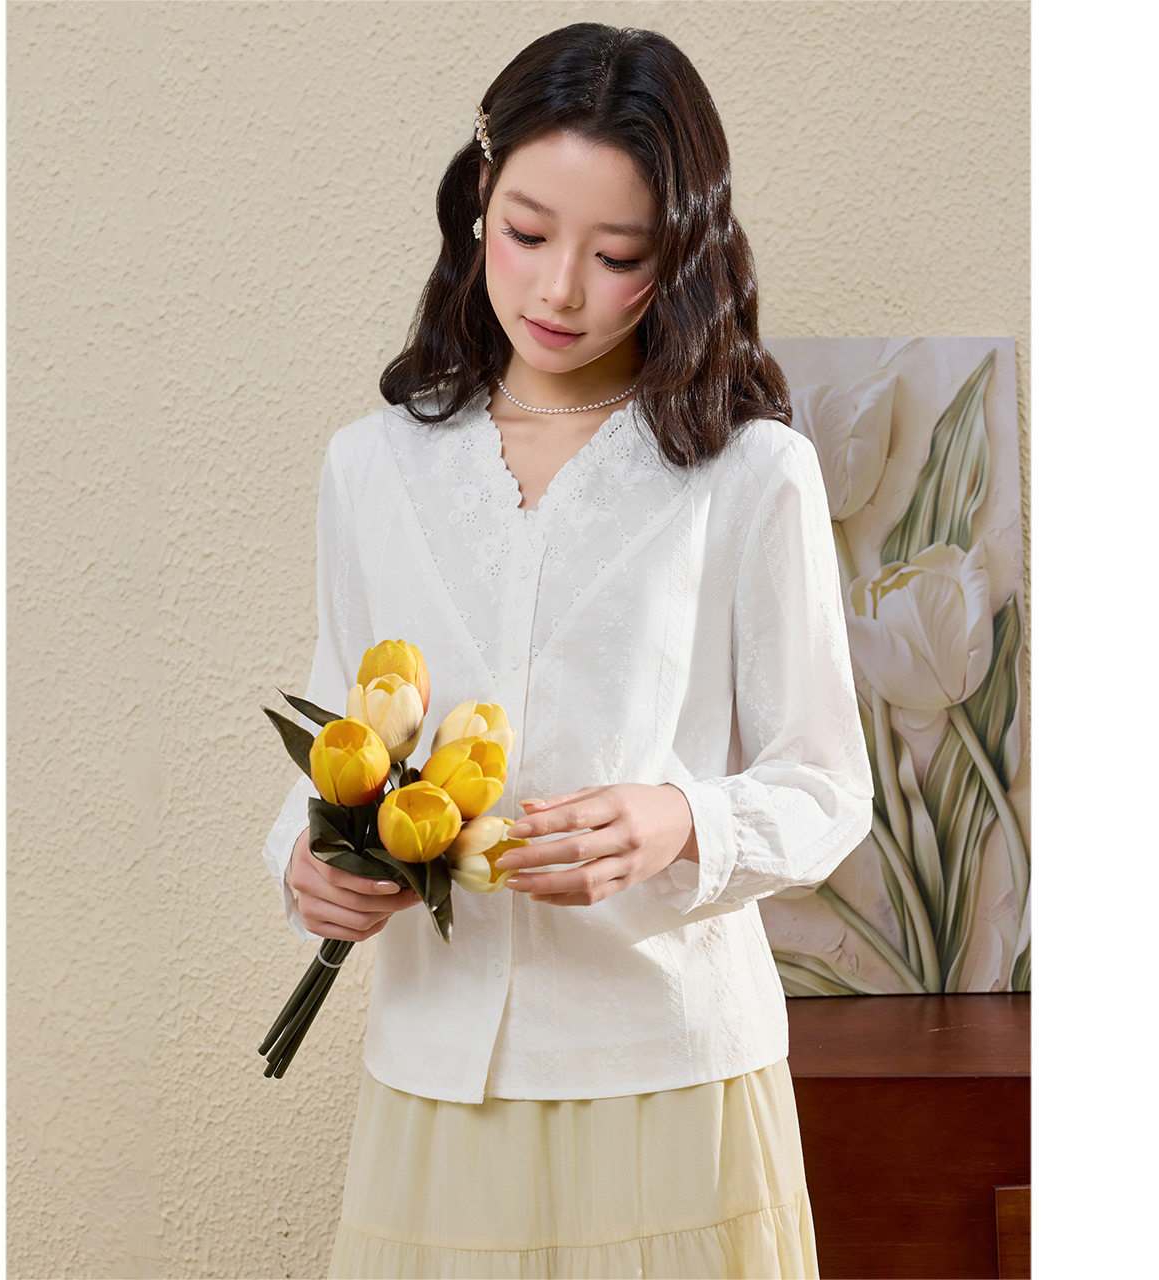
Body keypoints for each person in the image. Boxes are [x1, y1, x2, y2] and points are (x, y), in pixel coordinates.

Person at [260, 21, 873, 1280]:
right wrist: (309, 864)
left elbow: (826, 786)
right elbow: (337, 739)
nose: (556, 291)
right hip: (438, 1068)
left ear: (681, 251)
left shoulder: (749, 473)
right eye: (527, 233)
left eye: (617, 256)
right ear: (477, 199)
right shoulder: (371, 467)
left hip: (672, 1071)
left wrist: (678, 818)